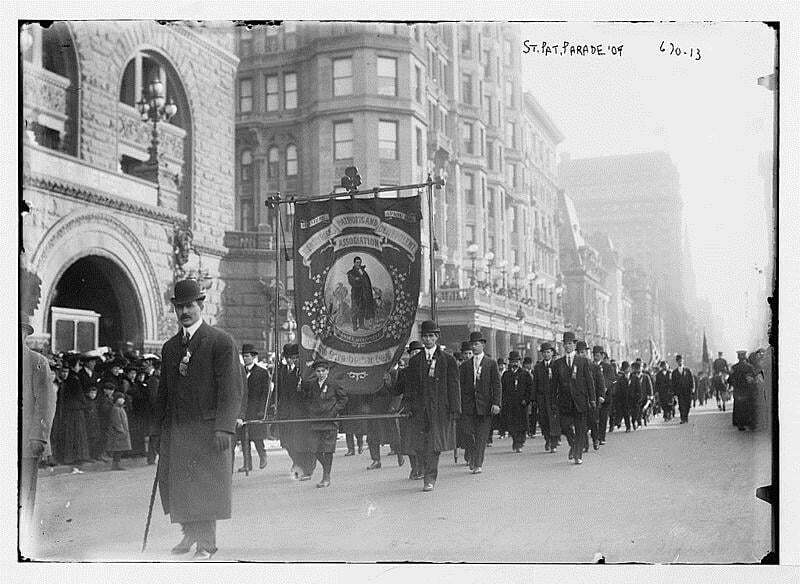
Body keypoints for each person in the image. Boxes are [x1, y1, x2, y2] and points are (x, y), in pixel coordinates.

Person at [153, 279, 244, 560]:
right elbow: (165, 393)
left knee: (205, 485)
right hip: (179, 430)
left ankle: (206, 541)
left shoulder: (220, 342)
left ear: (200, 305)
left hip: (209, 430)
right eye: (179, 306)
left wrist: (224, 427)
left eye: (189, 305)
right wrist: (158, 430)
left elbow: (231, 389)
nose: (184, 311)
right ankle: (189, 533)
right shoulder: (170, 348)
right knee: (180, 485)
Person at [404, 321, 461, 491]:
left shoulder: (448, 360)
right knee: (421, 445)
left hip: (439, 410)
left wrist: (455, 408)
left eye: (431, 336)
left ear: (436, 337)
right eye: (425, 336)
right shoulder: (415, 361)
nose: (428, 339)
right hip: (420, 411)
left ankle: (429, 478)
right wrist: (409, 406)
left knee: (434, 447)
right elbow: (410, 387)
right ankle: (424, 471)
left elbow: (454, 385)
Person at [19, 313, 57, 553]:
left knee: (23, 494)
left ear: (25, 334)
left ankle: (21, 540)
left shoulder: (37, 362)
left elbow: (45, 403)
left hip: (25, 441)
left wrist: (39, 437)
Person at [458, 331, 501, 474]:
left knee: (482, 437)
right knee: (468, 433)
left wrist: (496, 403)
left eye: (476, 344)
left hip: (485, 406)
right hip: (468, 407)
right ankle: (471, 454)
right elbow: (461, 387)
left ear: (483, 345)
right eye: (472, 344)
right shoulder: (465, 366)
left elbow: (496, 384)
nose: (474, 347)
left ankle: (478, 463)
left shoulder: (491, 363)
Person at [300, 359, 348, 488]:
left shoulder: (334, 383)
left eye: (323, 371)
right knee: (314, 448)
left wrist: (334, 411)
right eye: (318, 371)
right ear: (315, 372)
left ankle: (326, 476)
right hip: (315, 420)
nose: (321, 373)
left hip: (329, 421)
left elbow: (343, 399)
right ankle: (326, 470)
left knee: (327, 450)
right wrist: (310, 410)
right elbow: (306, 398)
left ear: (327, 371)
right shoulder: (311, 384)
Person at [274, 343, 316, 480]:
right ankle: (299, 463)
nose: (294, 360)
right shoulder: (290, 374)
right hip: (289, 414)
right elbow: (282, 392)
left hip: (304, 415)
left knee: (304, 443)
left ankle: (307, 469)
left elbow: (312, 394)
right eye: (292, 358)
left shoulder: (309, 375)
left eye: (297, 357)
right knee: (288, 442)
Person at [553, 332, 595, 464]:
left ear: (574, 345)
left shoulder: (582, 361)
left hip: (580, 400)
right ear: (563, 345)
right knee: (565, 426)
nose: (567, 346)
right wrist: (553, 401)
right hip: (565, 401)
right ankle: (573, 445)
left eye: (570, 344)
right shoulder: (558, 363)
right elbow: (554, 384)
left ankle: (578, 454)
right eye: (565, 344)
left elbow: (589, 381)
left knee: (580, 428)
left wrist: (592, 398)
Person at [391, 341, 425, 480]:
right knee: (409, 441)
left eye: (418, 353)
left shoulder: (427, 370)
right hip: (408, 410)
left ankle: (422, 468)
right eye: (413, 353)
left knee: (422, 440)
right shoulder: (404, 372)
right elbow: (397, 390)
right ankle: (414, 467)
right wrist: (387, 381)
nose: (415, 355)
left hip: (423, 409)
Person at [236, 343, 272, 472]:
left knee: (256, 437)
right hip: (243, 410)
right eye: (243, 356)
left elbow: (266, 393)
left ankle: (263, 456)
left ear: (254, 357)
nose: (245, 359)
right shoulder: (240, 372)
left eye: (247, 356)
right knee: (244, 439)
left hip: (256, 409)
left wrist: (262, 410)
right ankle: (247, 464)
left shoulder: (262, 373)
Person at [61, 352, 91, 472]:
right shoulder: (75, 379)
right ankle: (77, 457)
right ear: (75, 366)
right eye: (78, 364)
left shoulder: (70, 378)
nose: (79, 367)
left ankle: (70, 457)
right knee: (77, 433)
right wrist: (85, 404)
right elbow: (79, 395)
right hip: (76, 410)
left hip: (70, 409)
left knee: (71, 434)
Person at [500, 351, 532, 452]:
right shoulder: (506, 375)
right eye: (512, 361)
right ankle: (515, 440)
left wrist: (526, 400)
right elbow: (502, 389)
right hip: (510, 404)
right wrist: (503, 401)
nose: (514, 363)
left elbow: (529, 389)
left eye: (516, 361)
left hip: (521, 404)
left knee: (522, 424)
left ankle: (520, 441)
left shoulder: (525, 374)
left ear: (519, 362)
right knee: (511, 424)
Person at [532, 342, 560, 452]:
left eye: (548, 352)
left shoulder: (556, 365)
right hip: (542, 398)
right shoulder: (538, 367)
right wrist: (533, 398)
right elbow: (535, 383)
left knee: (553, 420)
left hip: (554, 398)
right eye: (544, 352)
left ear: (552, 353)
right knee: (543, 420)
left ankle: (553, 442)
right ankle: (547, 438)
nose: (546, 354)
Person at [728, 350, 758, 431]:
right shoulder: (750, 367)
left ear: (738, 357)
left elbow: (729, 380)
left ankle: (740, 424)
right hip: (748, 391)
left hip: (738, 391)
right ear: (745, 357)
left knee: (739, 407)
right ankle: (749, 423)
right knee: (748, 407)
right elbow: (753, 379)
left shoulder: (734, 368)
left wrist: (734, 385)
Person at [346, 256, 376, 331]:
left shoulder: (363, 272)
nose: (358, 264)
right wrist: (358, 280)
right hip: (355, 294)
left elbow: (366, 282)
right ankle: (355, 326)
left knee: (362, 309)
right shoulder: (350, 273)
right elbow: (352, 283)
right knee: (355, 310)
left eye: (359, 262)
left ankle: (361, 325)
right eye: (357, 262)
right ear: (354, 263)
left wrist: (361, 279)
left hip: (363, 293)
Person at [593, 347, 615, 445]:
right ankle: (596, 436)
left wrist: (604, 388)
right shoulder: (591, 365)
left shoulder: (607, 367)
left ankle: (601, 437)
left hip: (606, 396)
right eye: (594, 355)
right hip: (594, 395)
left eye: (597, 355)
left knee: (603, 417)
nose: (595, 357)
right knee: (595, 417)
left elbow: (611, 379)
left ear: (602, 355)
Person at [107, 391, 132, 470]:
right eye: (120, 399)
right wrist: (121, 430)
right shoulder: (116, 409)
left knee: (120, 449)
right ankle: (116, 464)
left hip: (122, 431)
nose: (122, 400)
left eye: (123, 399)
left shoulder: (120, 408)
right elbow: (117, 421)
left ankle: (117, 464)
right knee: (118, 449)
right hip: (118, 432)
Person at [671, 354, 695, 424]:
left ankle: (686, 416)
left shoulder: (688, 370)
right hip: (679, 391)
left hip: (687, 390)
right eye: (678, 361)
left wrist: (693, 388)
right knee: (681, 405)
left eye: (681, 361)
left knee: (687, 405)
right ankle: (682, 418)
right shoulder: (674, 372)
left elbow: (692, 380)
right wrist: (674, 392)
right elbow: (673, 383)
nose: (680, 362)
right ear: (677, 362)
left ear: (683, 361)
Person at [615, 361, 633, 432]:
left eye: (628, 368)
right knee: (626, 413)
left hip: (632, 398)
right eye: (625, 368)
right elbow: (618, 390)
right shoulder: (620, 379)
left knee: (633, 413)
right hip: (624, 398)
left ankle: (635, 421)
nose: (626, 370)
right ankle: (628, 426)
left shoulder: (634, 377)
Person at [522, 356, 537, 438]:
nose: (528, 366)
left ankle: (533, 430)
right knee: (527, 414)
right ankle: (528, 431)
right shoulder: (522, 373)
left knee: (533, 414)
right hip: (527, 396)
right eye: (527, 364)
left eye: (529, 364)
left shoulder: (534, 372)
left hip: (534, 396)